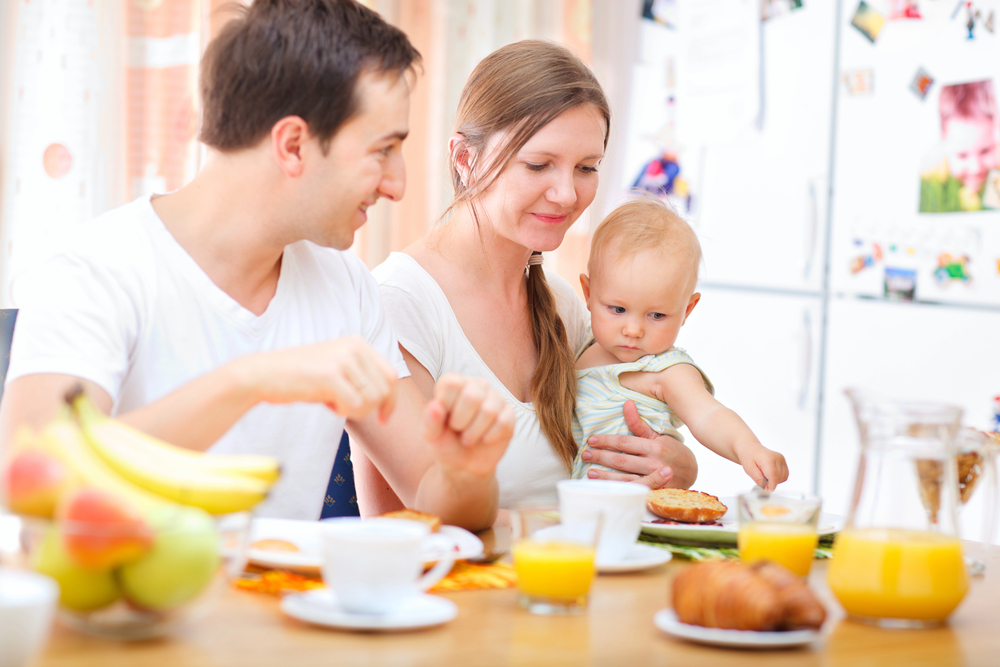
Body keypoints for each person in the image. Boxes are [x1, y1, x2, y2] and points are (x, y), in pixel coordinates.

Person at [0, 0, 515, 530]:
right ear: (292, 145)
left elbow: (432, 491)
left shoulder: (346, 287)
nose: (397, 184)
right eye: (382, 150)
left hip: (281, 588)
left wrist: (467, 472)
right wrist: (252, 380)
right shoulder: (93, 270)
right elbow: (30, 477)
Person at [357, 40, 699, 516]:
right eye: (538, 165)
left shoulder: (565, 304)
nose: (567, 194)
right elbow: (396, 525)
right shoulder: (398, 302)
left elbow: (643, 413)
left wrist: (675, 463)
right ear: (465, 159)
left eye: (587, 168)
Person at [571, 197, 788, 491]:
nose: (633, 330)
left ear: (687, 310)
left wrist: (747, 447)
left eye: (657, 315)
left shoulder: (666, 369)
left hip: (636, 506)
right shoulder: (583, 345)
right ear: (588, 293)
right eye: (617, 309)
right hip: (577, 504)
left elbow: (708, 414)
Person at [920, 80, 1000, 213]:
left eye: (986, 151)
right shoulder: (932, 180)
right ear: (943, 140)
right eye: (962, 155)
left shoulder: (997, 175)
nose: (975, 168)